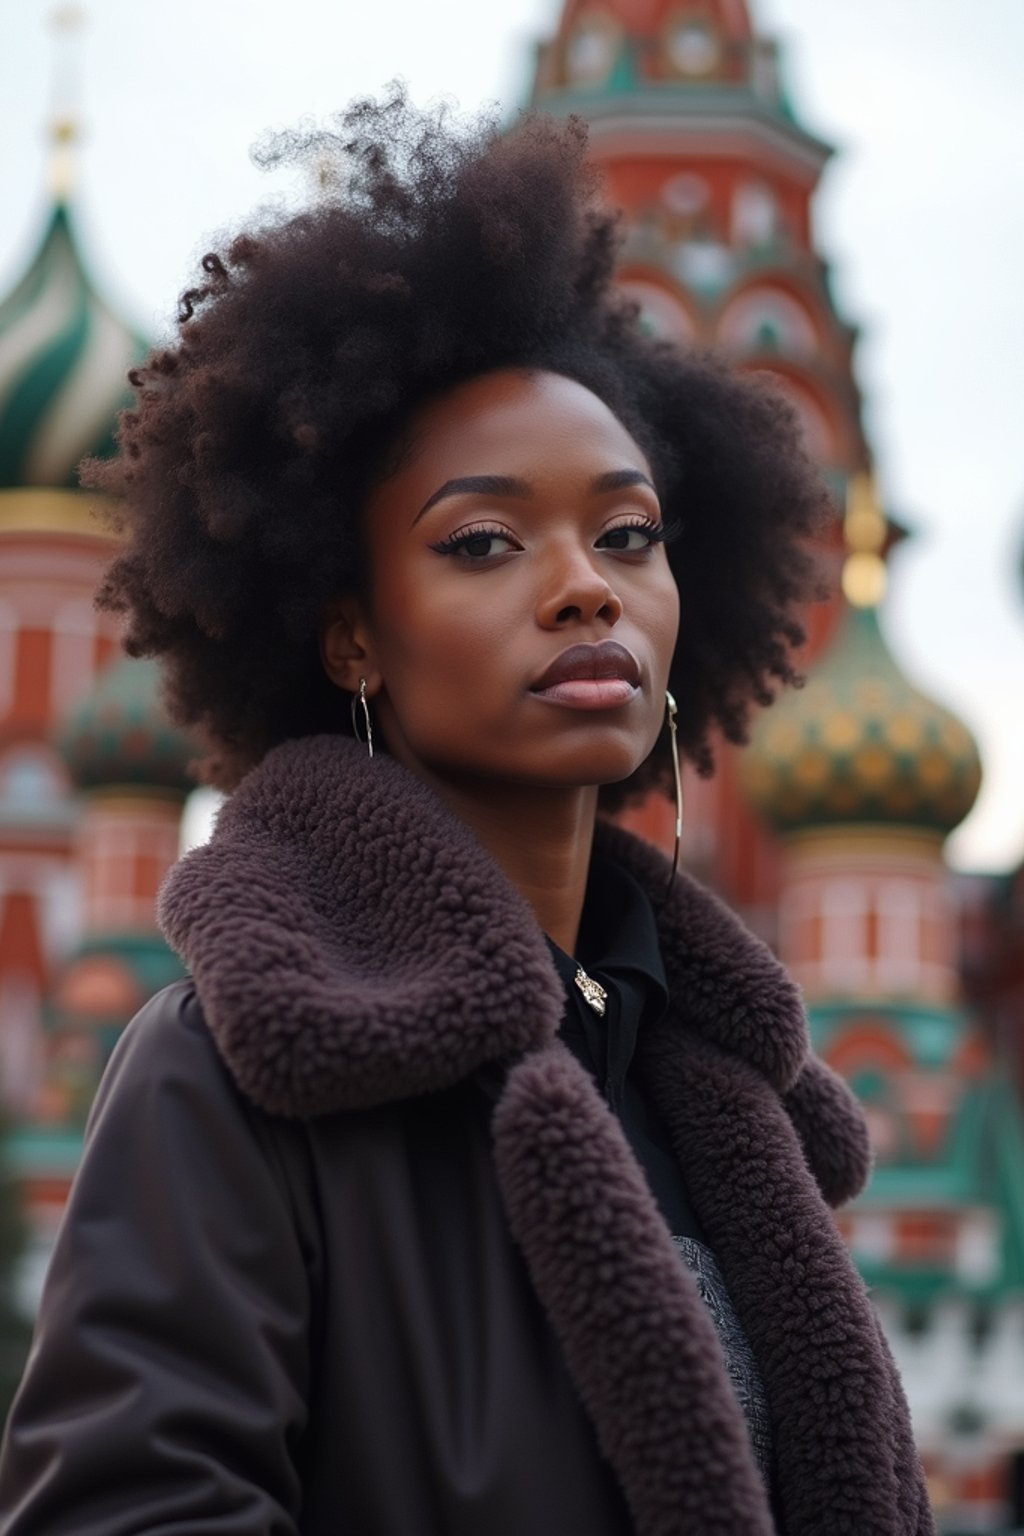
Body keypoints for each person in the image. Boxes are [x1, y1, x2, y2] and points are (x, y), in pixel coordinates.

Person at [0, 93, 932, 1535]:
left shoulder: (737, 1100)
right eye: (484, 541)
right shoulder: (232, 1075)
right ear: (352, 634)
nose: (585, 587)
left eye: (628, 534)